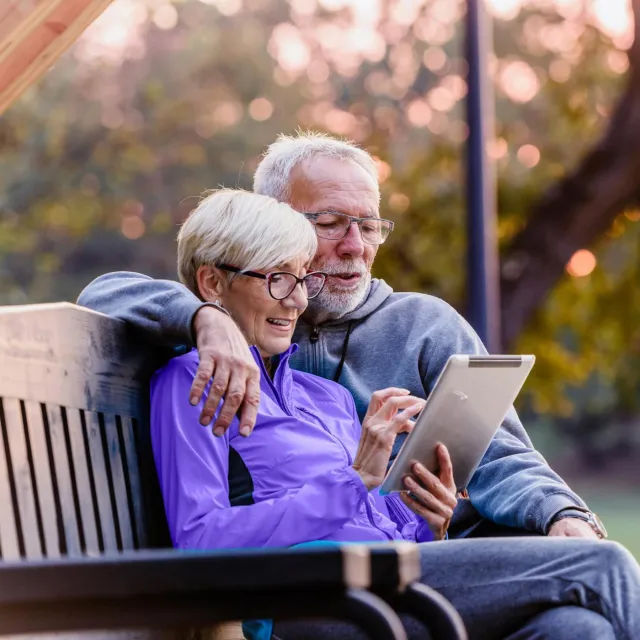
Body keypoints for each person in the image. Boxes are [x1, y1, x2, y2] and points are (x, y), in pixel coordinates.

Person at [151, 187, 640, 640]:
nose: (297, 300)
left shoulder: (326, 396)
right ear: (213, 282)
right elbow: (200, 541)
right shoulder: (191, 382)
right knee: (601, 565)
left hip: (379, 582)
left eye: (302, 278)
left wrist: (424, 516)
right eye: (278, 279)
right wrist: (355, 478)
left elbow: (367, 520)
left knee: (573, 627)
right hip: (308, 598)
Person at [78, 131, 600, 541]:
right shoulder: (242, 313)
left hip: (441, 548)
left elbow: (501, 454)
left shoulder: (423, 325)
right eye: (330, 222)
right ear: (277, 226)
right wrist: (203, 319)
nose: (355, 246)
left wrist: (563, 515)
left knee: (581, 605)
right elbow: (105, 292)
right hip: (334, 583)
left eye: (368, 225)